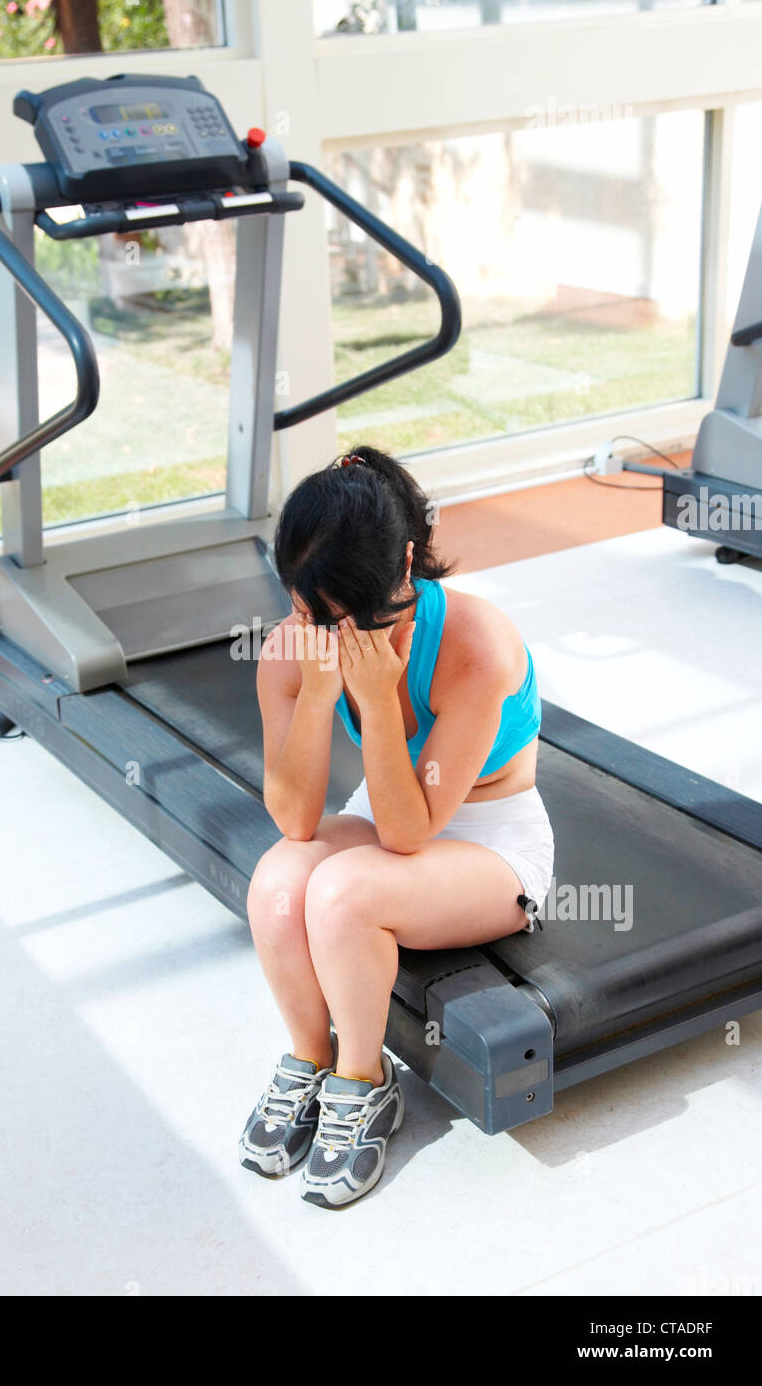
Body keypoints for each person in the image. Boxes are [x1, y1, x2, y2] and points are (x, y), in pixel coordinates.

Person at [238, 446, 554, 1208]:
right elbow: (294, 818)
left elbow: (413, 834)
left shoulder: (476, 645)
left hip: (489, 841)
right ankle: (312, 1059)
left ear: (406, 565)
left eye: (353, 617)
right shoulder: (295, 638)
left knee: (343, 895)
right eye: (312, 611)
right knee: (281, 883)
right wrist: (319, 694)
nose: (331, 633)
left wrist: (377, 701)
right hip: (384, 813)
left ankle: (363, 1080)